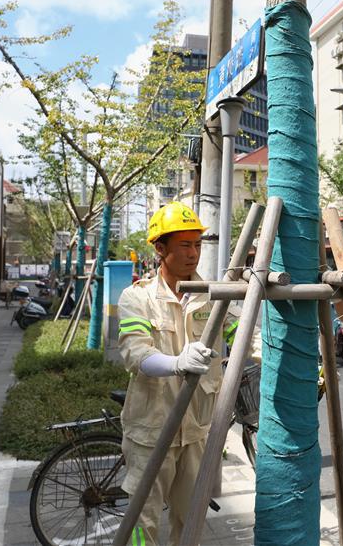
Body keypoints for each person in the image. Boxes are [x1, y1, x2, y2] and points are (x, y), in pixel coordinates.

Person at [116, 202, 222, 544]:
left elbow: (241, 334)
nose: (193, 253)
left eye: (197, 244)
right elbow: (136, 354)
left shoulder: (212, 296)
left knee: (190, 520)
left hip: (195, 433)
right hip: (151, 431)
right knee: (141, 523)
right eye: (185, 245)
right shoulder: (138, 298)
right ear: (160, 249)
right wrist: (176, 363)